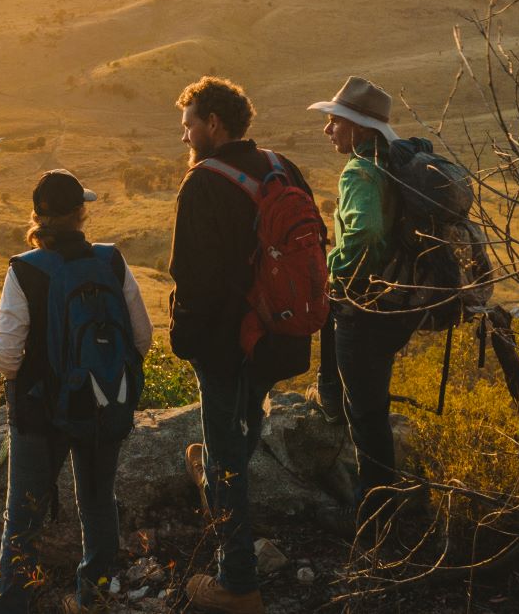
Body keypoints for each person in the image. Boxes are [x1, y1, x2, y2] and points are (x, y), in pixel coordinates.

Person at [171, 77, 315, 614]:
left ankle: (238, 584)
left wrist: (185, 339)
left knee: (228, 454)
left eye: (189, 125)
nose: (184, 136)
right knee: (245, 418)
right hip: (277, 337)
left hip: (227, 343)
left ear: (214, 124)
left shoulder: (203, 183)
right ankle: (215, 471)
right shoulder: (280, 166)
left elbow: (191, 276)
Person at [0, 168, 153, 614]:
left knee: (23, 518)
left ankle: (11, 606)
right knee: (98, 503)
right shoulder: (111, 260)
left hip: (38, 415)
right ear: (81, 213)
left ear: (38, 218)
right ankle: (93, 596)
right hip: (102, 402)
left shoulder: (24, 271)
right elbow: (142, 338)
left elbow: (5, 358)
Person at [308, 75, 422, 530]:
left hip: (366, 308)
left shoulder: (359, 171)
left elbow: (368, 234)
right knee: (369, 402)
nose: (328, 129)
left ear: (357, 128)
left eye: (335, 121)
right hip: (398, 303)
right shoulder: (395, 162)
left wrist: (333, 270)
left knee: (368, 415)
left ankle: (375, 517)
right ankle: (382, 506)